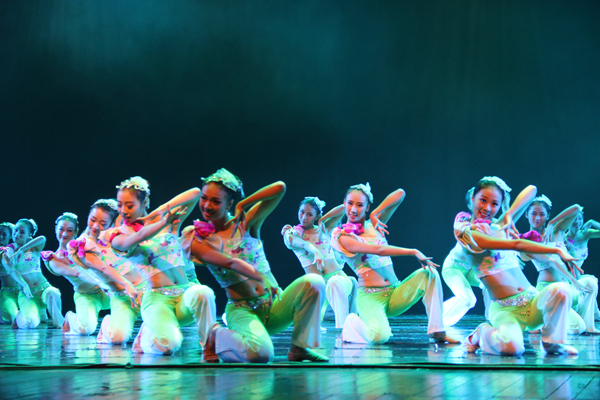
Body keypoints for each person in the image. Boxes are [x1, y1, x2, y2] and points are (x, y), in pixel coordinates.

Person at [182, 168, 328, 363]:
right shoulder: (200, 239)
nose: (207, 206)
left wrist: (243, 203)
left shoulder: (247, 224)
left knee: (315, 281)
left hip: (274, 304)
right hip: (243, 310)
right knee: (261, 354)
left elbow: (280, 188)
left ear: (229, 203)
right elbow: (230, 262)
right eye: (204, 198)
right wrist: (261, 276)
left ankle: (299, 348)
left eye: (216, 201)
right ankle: (215, 335)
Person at [456, 178, 581, 355]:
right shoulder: (469, 235)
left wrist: (509, 214)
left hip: (532, 301)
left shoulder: (500, 226)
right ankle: (481, 333)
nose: (487, 208)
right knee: (513, 348)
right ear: (472, 199)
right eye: (483, 200)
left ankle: (553, 343)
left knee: (562, 289)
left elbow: (532, 189)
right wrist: (556, 249)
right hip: (506, 311)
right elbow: (517, 244)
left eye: (494, 203)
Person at [331, 183, 457, 345]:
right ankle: (352, 322)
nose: (354, 210)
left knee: (429, 274)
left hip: (395, 292)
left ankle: (437, 332)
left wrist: (376, 213)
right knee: (379, 337)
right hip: (370, 297)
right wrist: (413, 251)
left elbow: (400, 193)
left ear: (367, 207)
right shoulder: (342, 236)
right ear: (344, 203)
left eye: (360, 205)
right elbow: (379, 250)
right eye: (350, 203)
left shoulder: (375, 224)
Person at [108, 176, 216, 355]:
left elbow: (196, 193)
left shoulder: (167, 223)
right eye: (120, 205)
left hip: (184, 295)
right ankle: (145, 338)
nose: (123, 211)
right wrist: (163, 221)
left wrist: (159, 212)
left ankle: (209, 347)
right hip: (157, 300)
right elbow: (140, 236)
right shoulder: (119, 237)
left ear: (144, 203)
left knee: (204, 292)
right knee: (169, 345)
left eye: (129, 205)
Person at [63, 200, 145, 341]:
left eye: (103, 223)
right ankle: (107, 324)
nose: (95, 226)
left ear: (112, 223)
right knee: (116, 337)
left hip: (145, 287)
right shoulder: (83, 246)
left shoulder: (116, 235)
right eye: (92, 220)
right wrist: (126, 283)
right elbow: (103, 267)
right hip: (120, 294)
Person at [522, 196, 598, 334]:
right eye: (533, 213)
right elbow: (550, 261)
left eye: (542, 214)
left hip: (569, 286)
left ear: (547, 216)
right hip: (550, 289)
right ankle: (545, 321)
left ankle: (589, 325)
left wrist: (552, 222)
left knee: (590, 283)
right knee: (576, 328)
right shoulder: (526, 241)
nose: (537, 218)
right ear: (526, 215)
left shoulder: (557, 231)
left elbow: (577, 208)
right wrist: (573, 279)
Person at [282, 196, 357, 328]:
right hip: (318, 288)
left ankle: (343, 329)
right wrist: (315, 251)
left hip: (338, 279)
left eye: (309, 214)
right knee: (313, 325)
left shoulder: (324, 229)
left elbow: (344, 207)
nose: (304, 217)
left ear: (316, 216)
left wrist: (323, 219)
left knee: (335, 282)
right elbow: (304, 244)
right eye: (302, 212)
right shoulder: (292, 234)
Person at [41, 212, 111, 335]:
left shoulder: (82, 243)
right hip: (87, 296)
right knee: (85, 330)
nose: (64, 234)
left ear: (75, 232)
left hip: (107, 291)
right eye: (61, 229)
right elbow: (77, 273)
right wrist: (99, 283)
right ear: (55, 229)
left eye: (69, 230)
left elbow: (93, 224)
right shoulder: (53, 259)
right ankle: (69, 318)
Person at [1, 219, 63, 329]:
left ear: (29, 234)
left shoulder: (34, 247)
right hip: (27, 294)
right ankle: (21, 316)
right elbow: (12, 270)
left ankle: (59, 323)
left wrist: (21, 249)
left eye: (22, 232)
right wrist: (24, 284)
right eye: (15, 230)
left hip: (43, 289)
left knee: (53, 292)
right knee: (30, 323)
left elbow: (42, 238)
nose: (17, 234)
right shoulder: (7, 252)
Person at [565, 210, 600, 321]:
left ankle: (592, 316)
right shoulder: (563, 239)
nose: (577, 222)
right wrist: (570, 252)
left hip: (578, 275)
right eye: (574, 219)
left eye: (580, 218)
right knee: (590, 283)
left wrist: (592, 222)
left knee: (592, 283)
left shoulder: (586, 234)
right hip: (567, 277)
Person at [0, 222, 20, 324]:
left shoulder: (16, 250)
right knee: (14, 318)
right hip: (7, 291)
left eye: (4, 234)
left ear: (10, 236)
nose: (1, 237)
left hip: (22, 291)